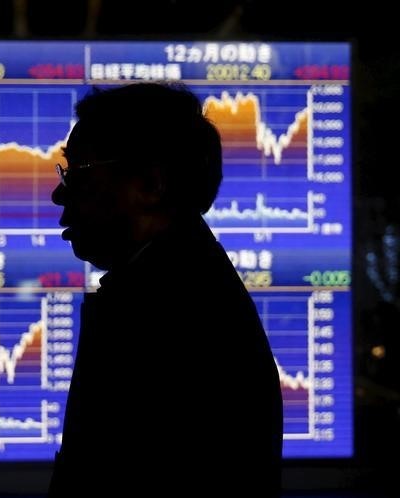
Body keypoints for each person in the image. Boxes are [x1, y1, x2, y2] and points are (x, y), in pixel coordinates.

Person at [48, 83, 283, 497]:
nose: (59, 194)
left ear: (153, 186)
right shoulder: (182, 286)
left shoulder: (166, 315)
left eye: (80, 173)